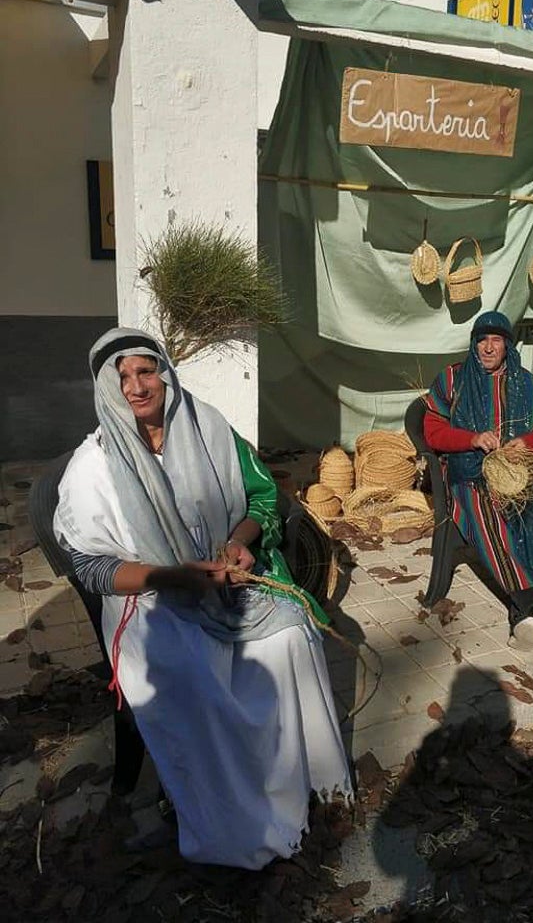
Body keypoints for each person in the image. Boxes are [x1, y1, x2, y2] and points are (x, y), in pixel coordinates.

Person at [54, 327, 351, 869]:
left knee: (290, 631)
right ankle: (229, 818)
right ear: (105, 388)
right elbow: (93, 568)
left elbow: (263, 496)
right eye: (122, 378)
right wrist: (175, 579)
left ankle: (301, 787)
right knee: (195, 671)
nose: (137, 387)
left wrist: (238, 543)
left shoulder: (208, 426)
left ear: (165, 374)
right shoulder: (92, 467)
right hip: (150, 602)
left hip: (225, 587)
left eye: (147, 371)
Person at [424, 311, 533, 650]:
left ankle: (525, 611)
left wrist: (524, 443)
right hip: (469, 474)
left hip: (517, 473)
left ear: (507, 344)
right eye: (482, 340)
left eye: (496, 340)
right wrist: (472, 439)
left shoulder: (527, 383)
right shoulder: (453, 380)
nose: (489, 347)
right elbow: (432, 430)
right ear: (474, 343)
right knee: (486, 515)